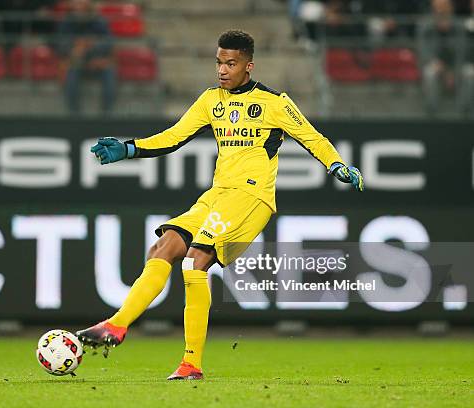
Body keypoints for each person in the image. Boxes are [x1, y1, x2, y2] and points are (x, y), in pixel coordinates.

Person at [76, 30, 364, 380]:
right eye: (219, 62)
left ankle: (190, 363)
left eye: (231, 63)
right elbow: (174, 136)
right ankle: (116, 326)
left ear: (248, 65)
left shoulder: (274, 102)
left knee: (195, 261)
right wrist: (130, 148)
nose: (223, 70)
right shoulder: (211, 100)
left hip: (252, 196)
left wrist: (336, 164)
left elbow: (311, 137)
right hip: (218, 194)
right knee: (163, 247)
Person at [57, 0, 115, 114]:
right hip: (76, 62)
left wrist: (92, 46)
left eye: (83, 2)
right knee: (71, 75)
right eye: (77, 2)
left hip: (97, 61)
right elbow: (60, 45)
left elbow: (109, 43)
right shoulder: (67, 22)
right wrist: (75, 48)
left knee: (109, 73)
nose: (80, 4)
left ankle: (107, 115)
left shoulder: (99, 21)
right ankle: (74, 115)